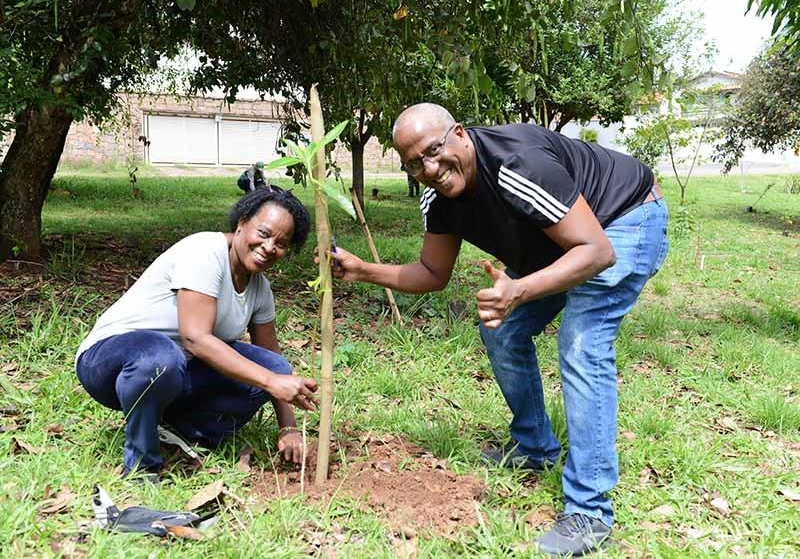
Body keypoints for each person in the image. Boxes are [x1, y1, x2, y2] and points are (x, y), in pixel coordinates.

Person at [326, 103, 669, 557]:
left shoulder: (514, 164)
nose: (429, 168)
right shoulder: (439, 197)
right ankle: (534, 445)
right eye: (414, 162)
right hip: (564, 238)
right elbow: (432, 272)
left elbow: (596, 252)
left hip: (622, 220)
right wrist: (363, 270)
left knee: (582, 343)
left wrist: (520, 290)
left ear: (460, 134)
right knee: (500, 330)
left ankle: (590, 510)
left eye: (434, 150)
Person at [75, 187, 318, 481]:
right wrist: (271, 381)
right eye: (263, 233)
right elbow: (195, 338)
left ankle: (179, 431)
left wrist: (289, 427)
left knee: (274, 368)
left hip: (178, 369)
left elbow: (273, 362)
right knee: (160, 358)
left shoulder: (259, 288)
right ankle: (142, 465)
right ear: (242, 223)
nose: (269, 247)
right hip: (110, 362)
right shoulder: (204, 252)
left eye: (281, 243)